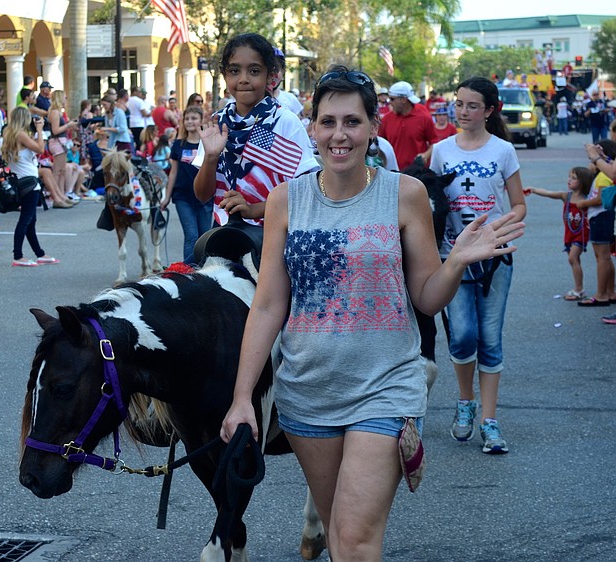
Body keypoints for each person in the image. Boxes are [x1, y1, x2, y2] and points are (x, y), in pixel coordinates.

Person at [220, 67, 524, 559]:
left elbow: (426, 296)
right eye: (327, 122)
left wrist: (456, 262)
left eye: (352, 122)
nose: (340, 135)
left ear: (373, 126)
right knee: (339, 536)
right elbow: (269, 305)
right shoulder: (285, 201)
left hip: (385, 387)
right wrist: (241, 399)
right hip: (307, 392)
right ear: (313, 127)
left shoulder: (404, 194)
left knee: (357, 538)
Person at [429, 76, 527, 454]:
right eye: (459, 104)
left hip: (495, 259)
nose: (463, 112)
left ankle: (489, 420)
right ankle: (465, 402)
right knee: (462, 334)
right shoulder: (440, 151)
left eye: (472, 106)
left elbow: (519, 204)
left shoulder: (503, 151)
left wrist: (499, 229)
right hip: (453, 257)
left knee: (490, 338)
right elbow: (430, 199)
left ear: (489, 111)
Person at [193, 33, 319, 227]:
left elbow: (305, 191)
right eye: (234, 71)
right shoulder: (218, 123)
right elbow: (202, 196)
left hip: (275, 234)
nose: (243, 79)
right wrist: (210, 157)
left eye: (254, 71)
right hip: (227, 233)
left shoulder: (285, 122)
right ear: (225, 75)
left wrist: (254, 210)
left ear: (270, 75)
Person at [1, 106, 59, 267]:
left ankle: (39, 253)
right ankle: (18, 256)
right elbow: (40, 149)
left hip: (22, 180)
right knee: (25, 220)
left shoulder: (10, 134)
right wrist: (40, 130)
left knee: (30, 220)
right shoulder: (20, 135)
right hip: (29, 182)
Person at [525, 167, 594, 300]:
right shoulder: (566, 196)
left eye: (574, 178)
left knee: (572, 258)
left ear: (583, 182)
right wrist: (533, 189)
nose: (569, 180)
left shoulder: (587, 199)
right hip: (569, 233)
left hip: (581, 234)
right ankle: (578, 286)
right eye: (569, 176)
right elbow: (548, 193)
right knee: (574, 261)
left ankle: (579, 289)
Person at [161, 105, 210, 263]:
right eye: (187, 118)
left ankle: (204, 271)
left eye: (194, 118)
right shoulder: (178, 145)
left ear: (201, 120)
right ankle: (188, 271)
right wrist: (167, 197)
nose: (190, 121)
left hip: (205, 197)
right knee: (191, 235)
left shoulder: (207, 144)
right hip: (183, 196)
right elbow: (173, 172)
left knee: (205, 235)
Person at [575, 139, 616, 308]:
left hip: (601, 217)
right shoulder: (602, 173)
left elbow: (600, 199)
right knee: (604, 257)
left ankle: (601, 295)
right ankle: (610, 292)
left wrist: (583, 204)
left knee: (602, 257)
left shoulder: (605, 176)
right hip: (599, 218)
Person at [378, 81, 438, 170]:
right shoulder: (386, 119)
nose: (389, 102)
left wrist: (426, 155)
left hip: (417, 174)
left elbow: (435, 142)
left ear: (403, 99)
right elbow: (379, 144)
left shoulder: (424, 117)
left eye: (392, 99)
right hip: (393, 173)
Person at [47, 90, 79, 203]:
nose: (66, 100)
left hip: (62, 141)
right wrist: (68, 125)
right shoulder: (55, 112)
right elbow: (55, 130)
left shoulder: (58, 112)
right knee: (57, 170)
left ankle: (61, 194)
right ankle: (56, 195)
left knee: (62, 170)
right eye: (65, 98)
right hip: (57, 142)